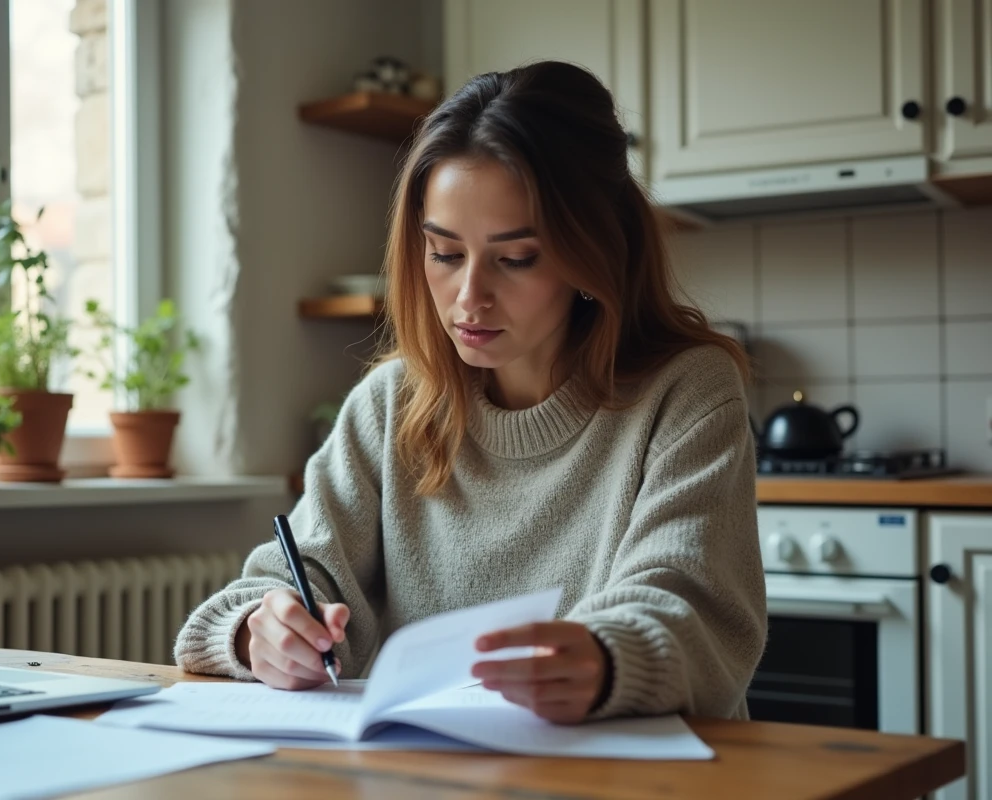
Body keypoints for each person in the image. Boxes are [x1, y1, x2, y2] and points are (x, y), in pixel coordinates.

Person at [175, 60, 766, 724]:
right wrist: (260, 630)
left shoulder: (686, 393)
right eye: (445, 254)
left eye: (516, 259)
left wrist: (606, 659)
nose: (469, 297)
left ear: (594, 252)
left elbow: (692, 610)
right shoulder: (391, 402)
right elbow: (290, 580)